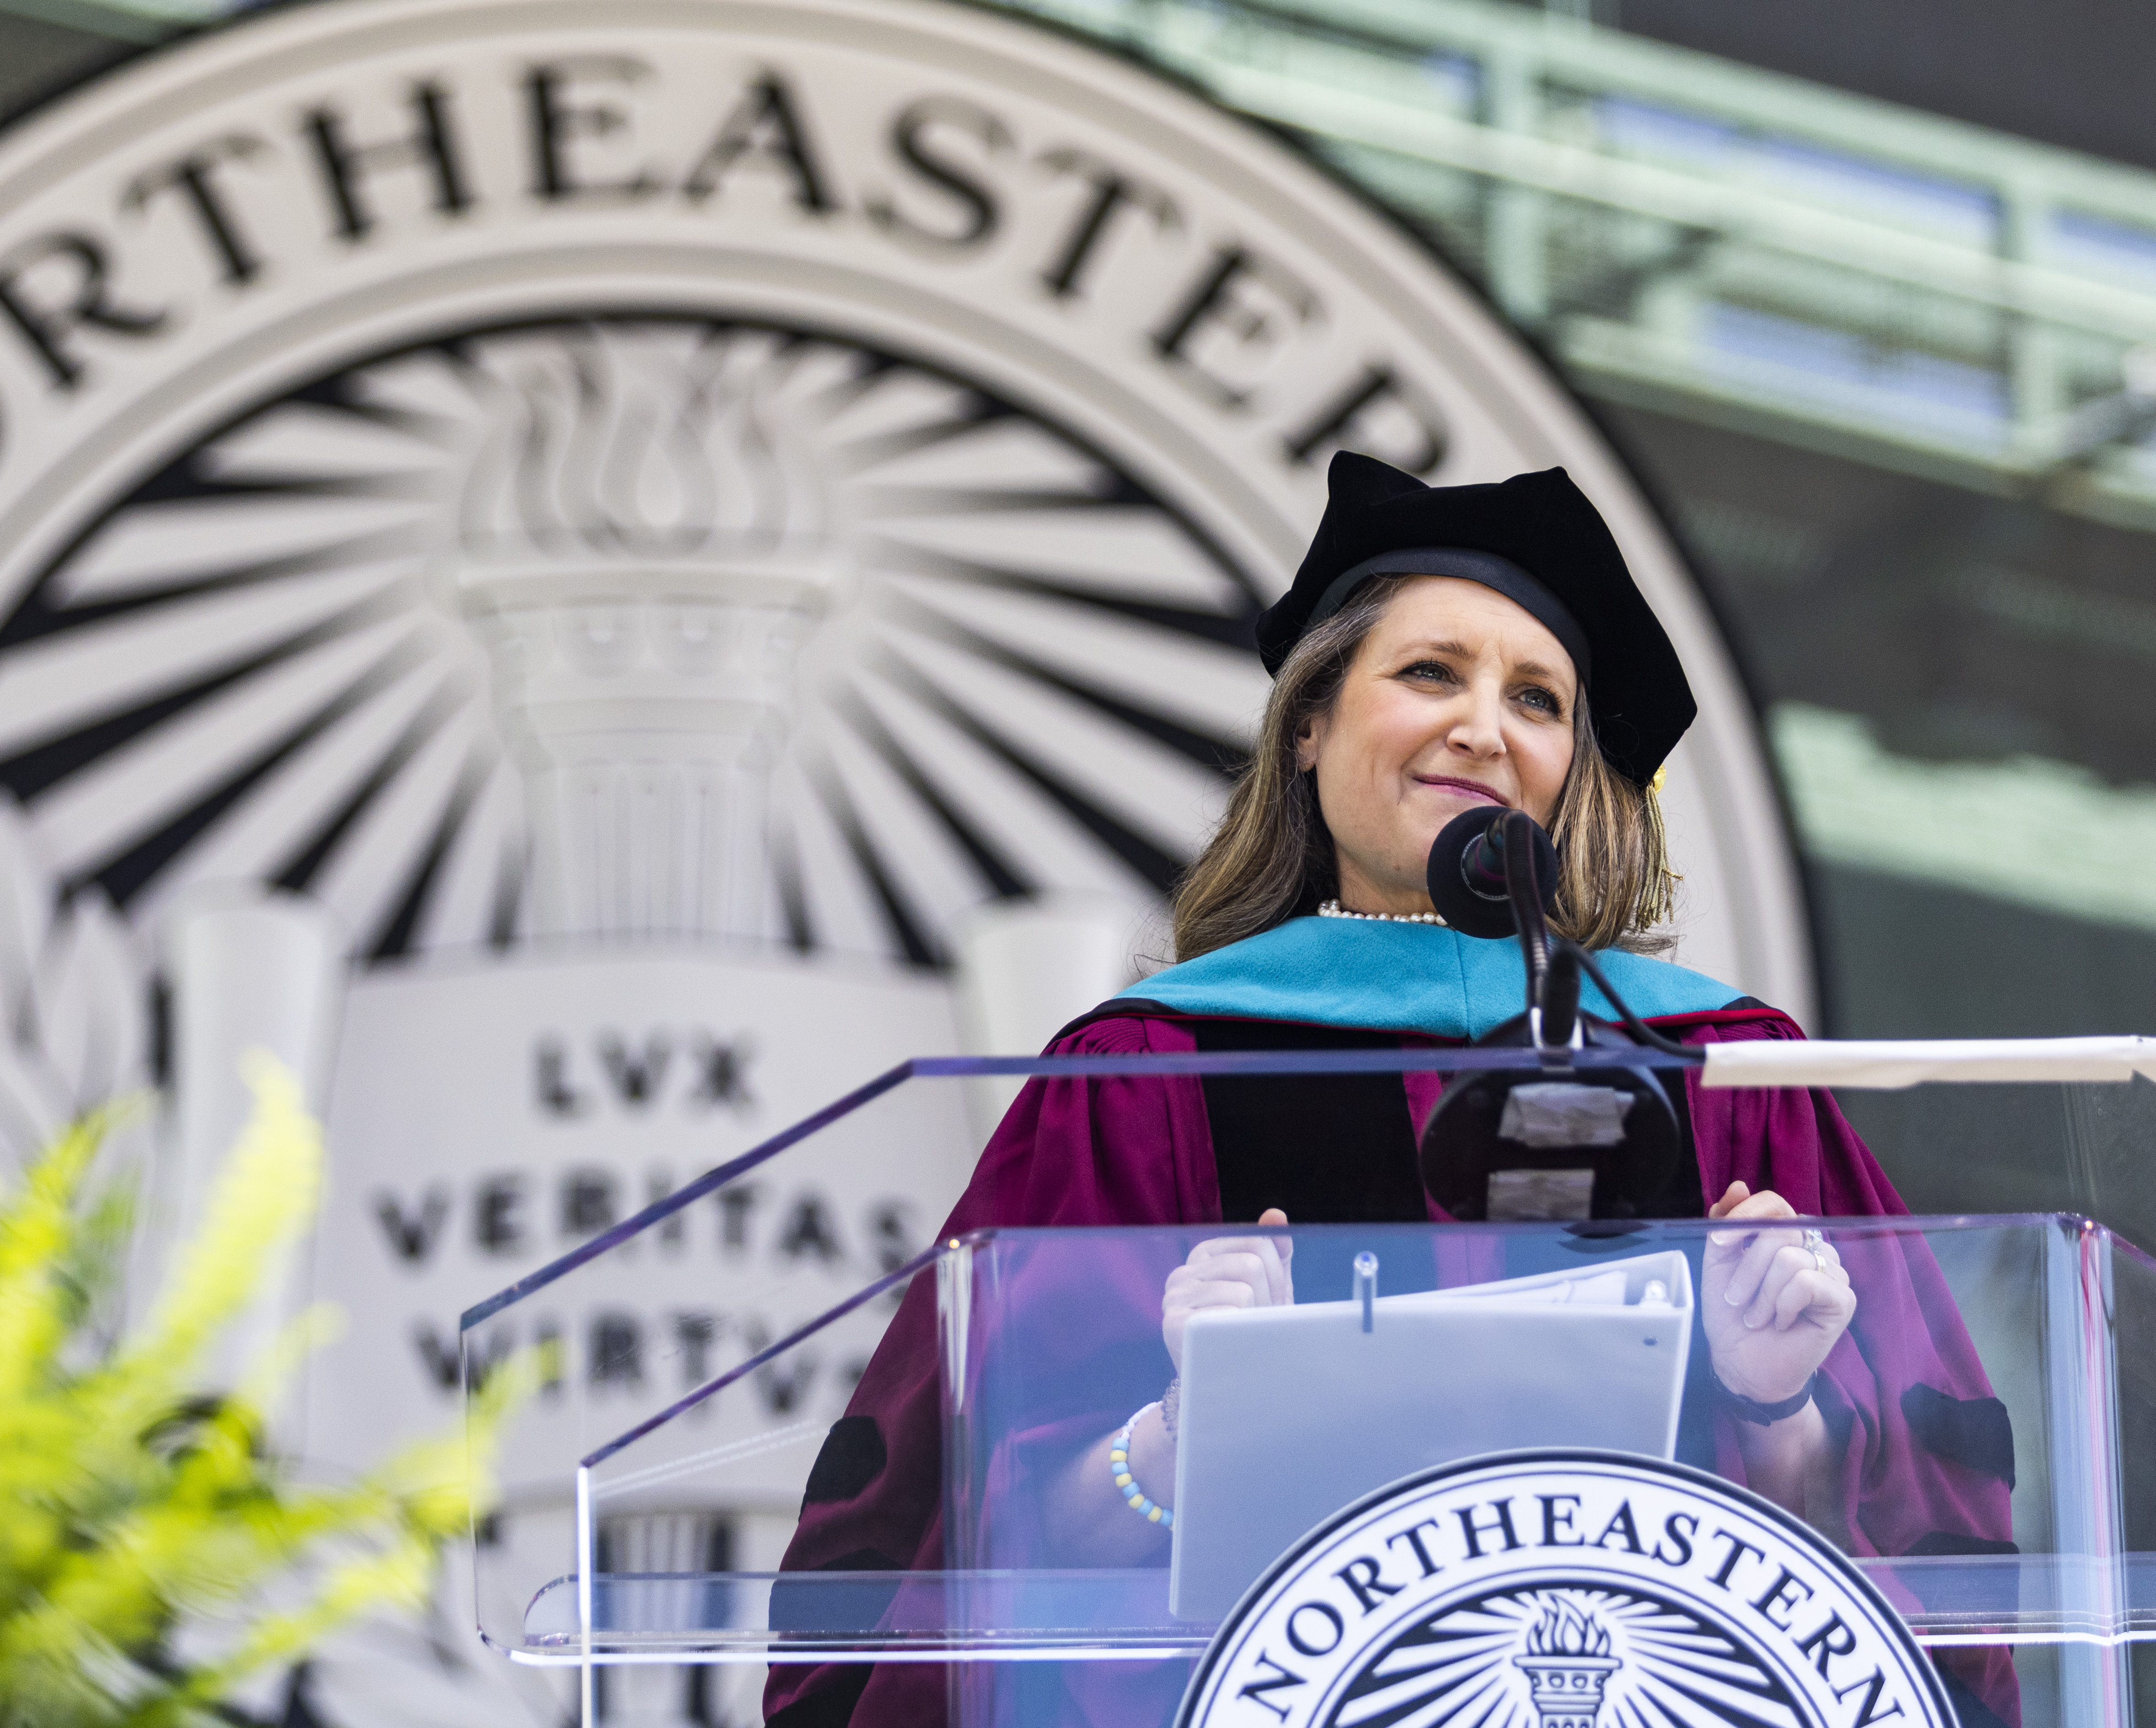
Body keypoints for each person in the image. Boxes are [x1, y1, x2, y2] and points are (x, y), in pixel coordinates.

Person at [763, 454, 2017, 1728]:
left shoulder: (1728, 1080)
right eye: (1431, 672)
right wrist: (1178, 1438)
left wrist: (1777, 1403)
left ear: (1573, 770)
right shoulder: (1154, 1073)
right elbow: (940, 1534)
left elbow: (1935, 1577)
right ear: (1308, 724)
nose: (1484, 725)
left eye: (1537, 697)